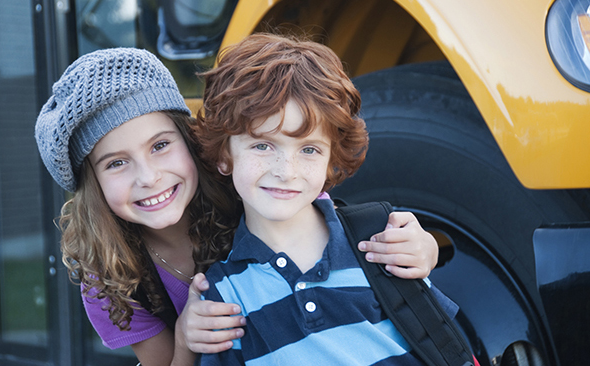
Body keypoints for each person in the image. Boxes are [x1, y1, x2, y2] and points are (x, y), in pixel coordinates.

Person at [34, 47, 439, 366]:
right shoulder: (111, 281)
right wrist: (185, 339)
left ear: (191, 140)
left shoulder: (250, 186)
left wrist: (427, 249)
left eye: (160, 146)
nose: (149, 177)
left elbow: (345, 235)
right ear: (92, 186)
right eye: (116, 163)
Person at [194, 33, 458, 366]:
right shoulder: (223, 295)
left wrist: (428, 250)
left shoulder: (378, 239)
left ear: (331, 157)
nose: (285, 171)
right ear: (224, 155)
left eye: (308, 149)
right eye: (262, 145)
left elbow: (442, 342)